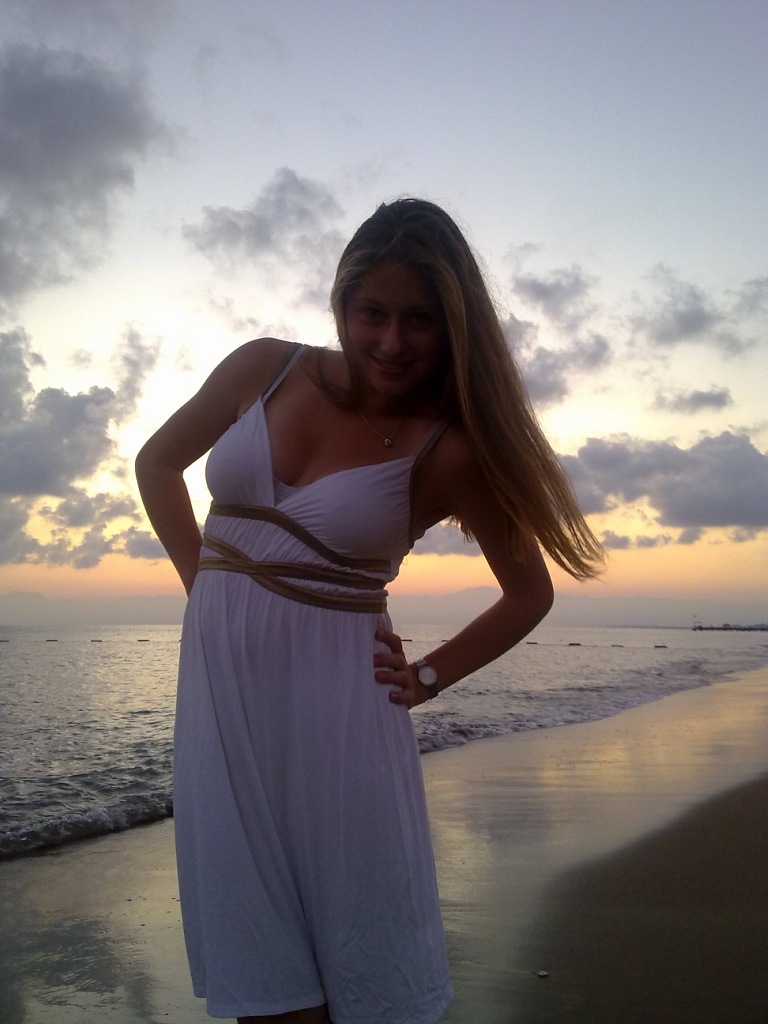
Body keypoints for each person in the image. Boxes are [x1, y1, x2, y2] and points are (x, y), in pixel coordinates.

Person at [135, 197, 603, 1024]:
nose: (392, 341)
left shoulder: (447, 449)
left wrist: (427, 676)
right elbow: (156, 464)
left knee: (362, 959)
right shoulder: (264, 368)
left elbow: (530, 592)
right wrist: (203, 590)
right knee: (263, 969)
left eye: (419, 319)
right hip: (222, 700)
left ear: (453, 326)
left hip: (344, 714)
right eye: (373, 313)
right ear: (342, 303)